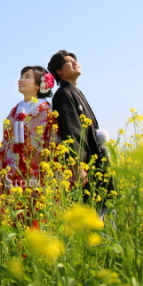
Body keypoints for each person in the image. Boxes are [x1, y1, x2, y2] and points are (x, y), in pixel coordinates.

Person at [47, 50, 114, 214]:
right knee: (95, 212)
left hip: (96, 162)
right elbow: (72, 133)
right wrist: (77, 167)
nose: (75, 63)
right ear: (59, 71)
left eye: (75, 60)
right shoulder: (63, 94)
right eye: (69, 62)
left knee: (105, 206)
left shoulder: (74, 92)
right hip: (86, 166)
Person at [0, 66, 57, 227]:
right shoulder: (15, 109)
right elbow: (5, 143)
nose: (21, 80)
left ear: (39, 85)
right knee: (11, 214)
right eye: (21, 76)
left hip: (35, 170)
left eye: (27, 77)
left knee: (34, 213)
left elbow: (53, 140)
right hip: (12, 170)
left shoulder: (47, 110)